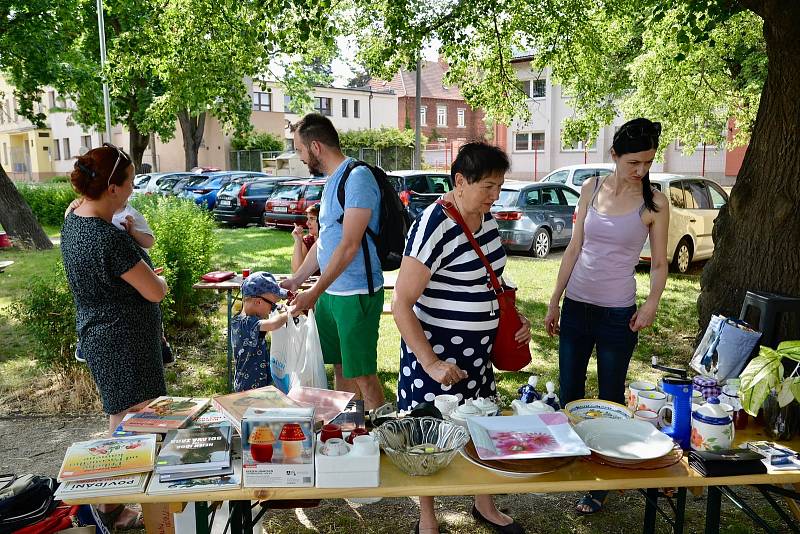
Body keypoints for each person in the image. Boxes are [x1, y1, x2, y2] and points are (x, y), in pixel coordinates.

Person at [393, 142, 531, 534]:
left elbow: (493, 279)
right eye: (488, 186)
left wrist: (514, 320)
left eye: (499, 186)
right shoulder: (433, 225)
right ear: (459, 181)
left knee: (479, 426)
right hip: (435, 353)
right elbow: (402, 303)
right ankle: (428, 519)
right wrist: (431, 363)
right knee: (428, 436)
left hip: (477, 353)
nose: (495, 196)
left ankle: (483, 503)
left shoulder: (485, 219)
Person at [544, 118, 669, 514]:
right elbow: (574, 247)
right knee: (570, 393)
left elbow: (661, 264)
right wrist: (554, 300)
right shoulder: (591, 187)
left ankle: (603, 483)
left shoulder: (656, 203)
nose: (641, 171)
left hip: (619, 313)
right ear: (614, 155)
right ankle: (576, 463)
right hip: (578, 306)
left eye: (648, 162)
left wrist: (650, 305)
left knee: (611, 399)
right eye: (634, 162)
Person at [60, 144, 168, 530]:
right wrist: (162, 282)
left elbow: (77, 205)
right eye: (130, 182)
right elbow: (154, 291)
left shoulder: (72, 221)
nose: (133, 189)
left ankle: (112, 508)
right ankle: (115, 506)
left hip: (99, 335)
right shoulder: (110, 239)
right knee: (134, 425)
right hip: (126, 342)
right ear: (113, 190)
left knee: (120, 419)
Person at [280, 113, 386, 411]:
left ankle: (386, 437)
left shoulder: (357, 178)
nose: (300, 157)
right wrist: (298, 280)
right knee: (341, 368)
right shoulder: (332, 182)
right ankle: (349, 429)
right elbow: (327, 241)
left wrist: (314, 292)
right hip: (332, 293)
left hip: (355, 293)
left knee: (363, 374)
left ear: (315, 147)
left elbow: (350, 245)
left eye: (300, 150)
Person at [231, 271, 289, 391]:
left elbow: (266, 329)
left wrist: (280, 310)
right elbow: (273, 325)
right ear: (258, 302)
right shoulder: (246, 324)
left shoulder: (243, 321)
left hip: (258, 383)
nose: (271, 310)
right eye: (272, 306)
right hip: (248, 388)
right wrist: (291, 313)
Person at [291, 203, 320, 273]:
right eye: (308, 219)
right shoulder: (307, 241)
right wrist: (298, 241)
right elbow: (297, 271)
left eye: (312, 218)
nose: (307, 223)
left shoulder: (334, 240)